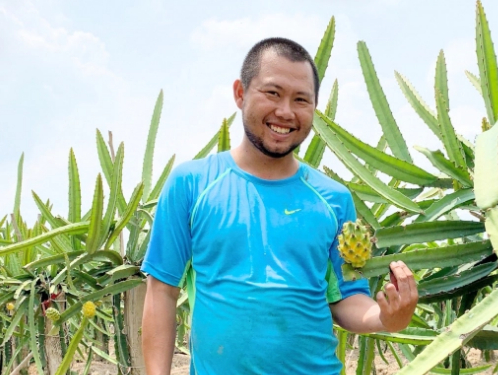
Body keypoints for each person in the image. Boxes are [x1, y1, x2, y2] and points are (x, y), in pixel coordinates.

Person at [141, 37, 418, 375]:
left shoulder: (334, 200)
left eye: (301, 100)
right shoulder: (191, 185)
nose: (285, 112)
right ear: (240, 93)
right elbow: (161, 292)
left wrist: (387, 318)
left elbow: (348, 298)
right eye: (272, 93)